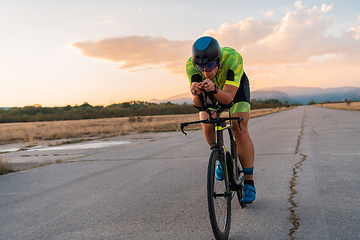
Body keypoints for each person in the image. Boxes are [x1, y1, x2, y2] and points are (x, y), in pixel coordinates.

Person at [186, 36, 256, 203]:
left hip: (235, 90)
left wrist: (215, 89)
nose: (205, 71)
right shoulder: (191, 65)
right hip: (211, 89)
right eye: (201, 67)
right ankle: (220, 156)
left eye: (210, 65)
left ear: (218, 60)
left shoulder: (233, 58)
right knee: (206, 125)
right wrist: (195, 93)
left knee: (239, 127)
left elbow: (229, 98)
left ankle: (249, 182)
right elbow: (198, 105)